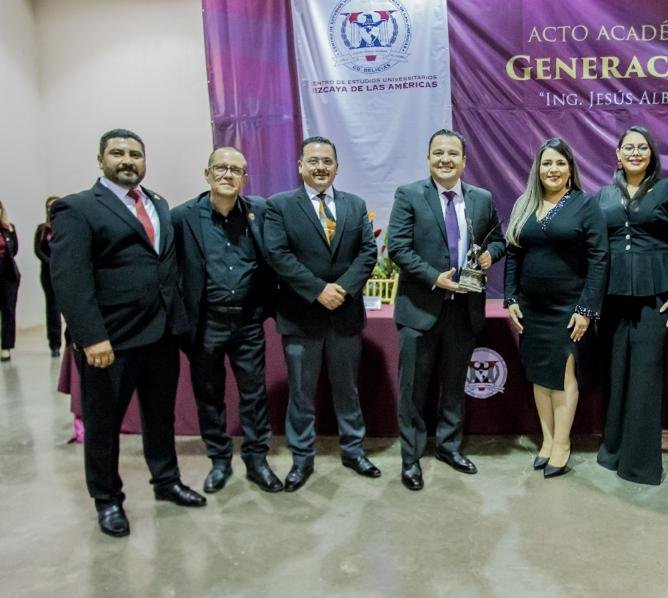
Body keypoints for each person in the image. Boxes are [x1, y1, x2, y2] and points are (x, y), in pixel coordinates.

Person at [50, 129, 205, 538]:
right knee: (104, 425)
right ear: (100, 159)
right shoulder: (77, 208)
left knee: (160, 416)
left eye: (135, 154)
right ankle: (107, 499)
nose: (127, 160)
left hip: (160, 336)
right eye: (117, 153)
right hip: (111, 342)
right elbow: (69, 279)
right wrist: (90, 336)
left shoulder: (157, 203)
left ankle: (166, 480)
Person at [387, 129, 506, 491]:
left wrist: (490, 255)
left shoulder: (481, 198)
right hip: (419, 309)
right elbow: (398, 247)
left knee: (454, 385)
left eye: (453, 153)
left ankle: (449, 447)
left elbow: (498, 240)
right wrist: (433, 278)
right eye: (438, 153)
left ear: (464, 161)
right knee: (413, 390)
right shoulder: (409, 195)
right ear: (428, 159)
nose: (445, 159)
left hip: (464, 310)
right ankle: (411, 457)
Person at [264, 136, 379, 492]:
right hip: (301, 319)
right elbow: (278, 255)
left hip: (345, 316)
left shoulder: (354, 205)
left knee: (348, 390)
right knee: (301, 394)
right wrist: (317, 290)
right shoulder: (280, 206)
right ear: (300, 166)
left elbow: (368, 253)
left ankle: (353, 451)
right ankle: (302, 458)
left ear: (337, 168)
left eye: (327, 161)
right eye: (313, 161)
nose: (320, 167)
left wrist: (341, 289)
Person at [170, 147, 283, 494]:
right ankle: (219, 460)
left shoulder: (259, 212)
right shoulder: (182, 217)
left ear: (245, 178)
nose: (227, 175)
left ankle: (256, 460)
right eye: (221, 168)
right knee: (209, 395)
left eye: (236, 170)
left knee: (254, 395)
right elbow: (171, 271)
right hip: (206, 323)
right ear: (207, 174)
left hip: (248, 321)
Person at [594, 126, 668, 485]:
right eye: (629, 147)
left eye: (642, 147)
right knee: (616, 372)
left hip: (657, 298)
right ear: (618, 155)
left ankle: (639, 464)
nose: (635, 152)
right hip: (612, 298)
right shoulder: (603, 194)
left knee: (646, 375)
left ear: (651, 154)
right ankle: (613, 451)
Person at [504, 138, 608, 478]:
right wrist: (511, 297)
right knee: (539, 376)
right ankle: (547, 441)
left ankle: (562, 445)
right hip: (531, 309)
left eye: (560, 163)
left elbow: (599, 258)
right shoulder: (524, 204)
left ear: (570, 169)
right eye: (547, 163)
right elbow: (513, 254)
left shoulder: (585, 205)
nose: (553, 169)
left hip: (569, 309)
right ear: (538, 169)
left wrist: (587, 308)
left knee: (564, 377)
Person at [34, 196, 63, 357]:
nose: (52, 208)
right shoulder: (42, 229)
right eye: (49, 206)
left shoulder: (68, 226)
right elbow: (38, 250)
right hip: (48, 274)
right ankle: (54, 344)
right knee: (52, 309)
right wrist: (52, 262)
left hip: (65, 274)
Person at [0, 200, 19, 362]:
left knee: (9, 311)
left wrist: (10, 233)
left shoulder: (9, 228)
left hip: (8, 275)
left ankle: (6, 347)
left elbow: (15, 250)